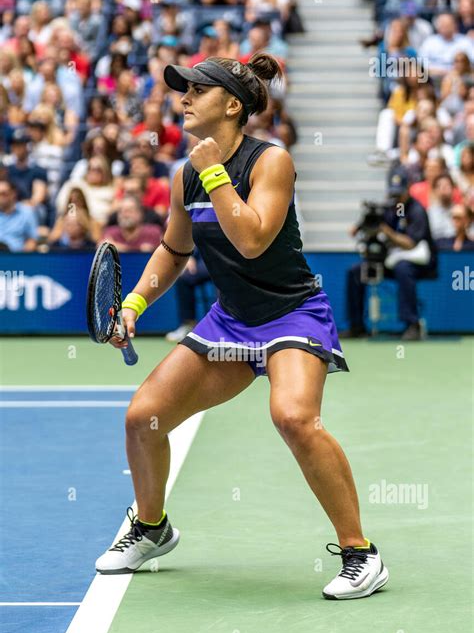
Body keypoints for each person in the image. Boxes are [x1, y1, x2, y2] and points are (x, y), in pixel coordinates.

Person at [95, 53, 389, 602]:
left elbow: (252, 238)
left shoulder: (270, 161)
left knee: (294, 417)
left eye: (196, 90)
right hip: (230, 321)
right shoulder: (185, 173)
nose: (183, 98)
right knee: (144, 418)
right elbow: (173, 248)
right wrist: (135, 302)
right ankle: (153, 529)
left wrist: (211, 171)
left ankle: (361, 554)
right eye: (183, 90)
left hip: (291, 313)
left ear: (232, 105)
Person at [342, 164, 437, 341]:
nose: (396, 197)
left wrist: (387, 232)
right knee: (355, 272)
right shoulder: (389, 208)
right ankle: (356, 326)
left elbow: (410, 244)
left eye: (399, 193)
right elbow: (370, 228)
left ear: (408, 188)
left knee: (403, 268)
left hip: (419, 263)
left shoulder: (417, 211)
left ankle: (412, 324)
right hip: (390, 260)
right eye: (393, 193)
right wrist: (364, 226)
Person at [0, 178, 38, 252]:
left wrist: (22, 258)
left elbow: (32, 241)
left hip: (16, 257)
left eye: (3, 194)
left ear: (13, 194)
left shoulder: (27, 213)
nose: (0, 198)